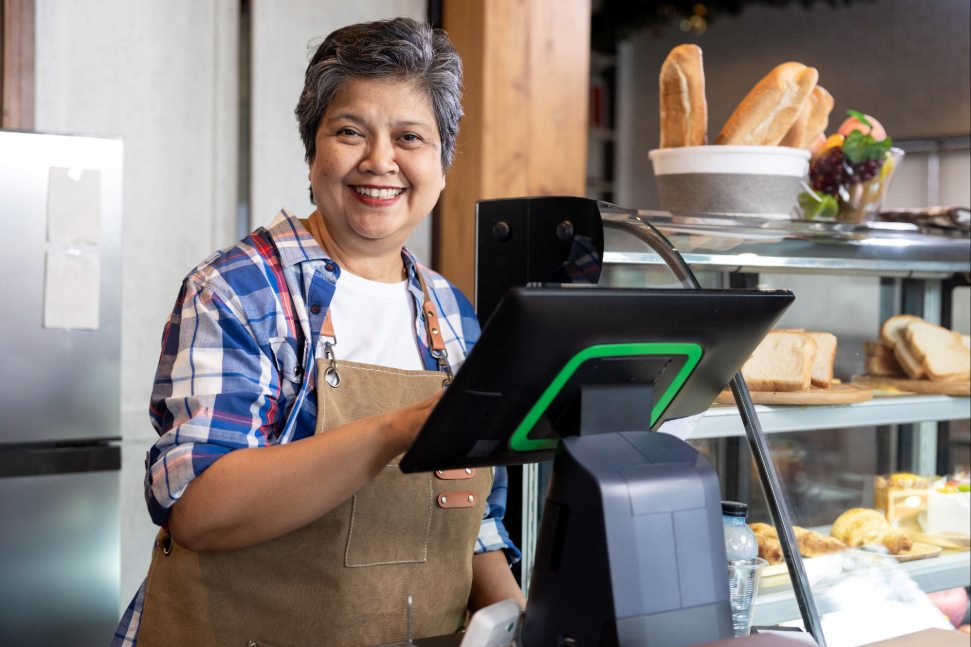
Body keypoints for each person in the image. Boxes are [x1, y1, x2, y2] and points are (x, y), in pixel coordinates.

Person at [112, 17, 524, 647]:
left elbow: (476, 524)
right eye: (351, 132)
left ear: (442, 164)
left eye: (410, 137)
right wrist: (397, 429)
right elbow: (199, 507)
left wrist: (523, 622)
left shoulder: (450, 314)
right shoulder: (237, 290)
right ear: (312, 155)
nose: (380, 161)